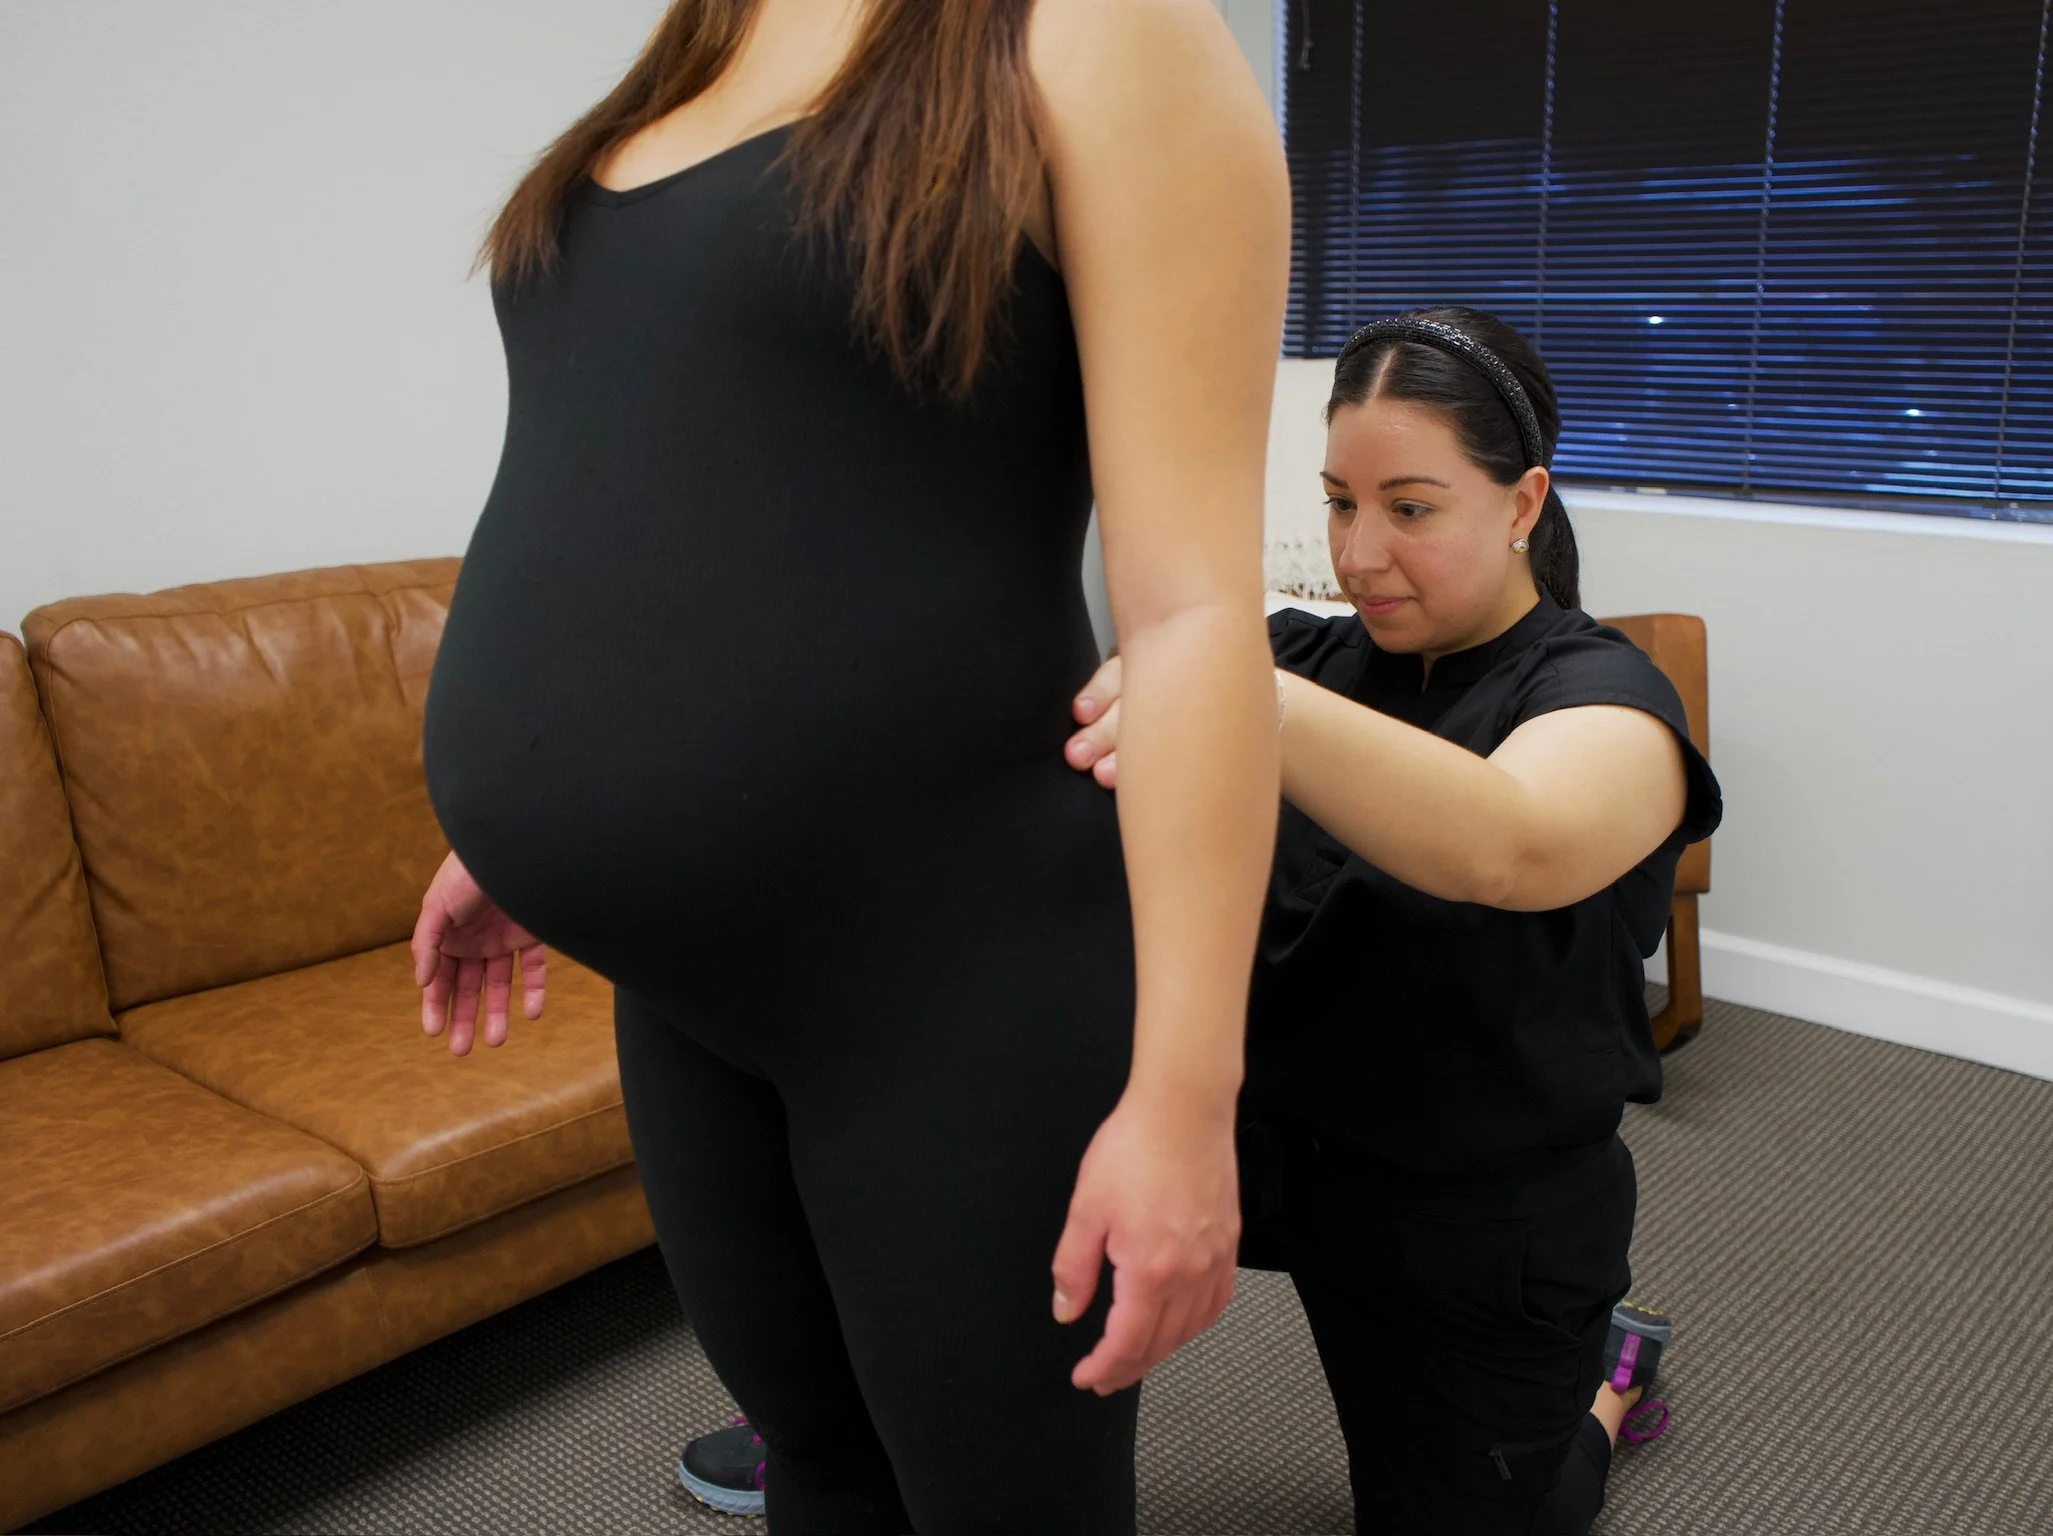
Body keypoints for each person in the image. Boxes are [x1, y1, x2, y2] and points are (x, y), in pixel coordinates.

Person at [408, 0, 1287, 1529]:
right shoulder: (712, 27)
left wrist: (1186, 1097)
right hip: (687, 985)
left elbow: (1196, 615)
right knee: (817, 1466)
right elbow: (666, 453)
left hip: (950, 972)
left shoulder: (1096, 28)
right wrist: (529, 821)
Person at [677, 304, 1722, 1530]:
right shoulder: (1299, 657)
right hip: (1254, 1137)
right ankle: (855, 1423)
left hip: (1468, 1206)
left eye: (1411, 507)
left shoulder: (1609, 704)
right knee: (980, 1174)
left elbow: (1512, 843)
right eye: (1339, 501)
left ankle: (1607, 1382)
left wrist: (1231, 688)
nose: (1359, 553)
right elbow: (1018, 766)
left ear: (1522, 502)